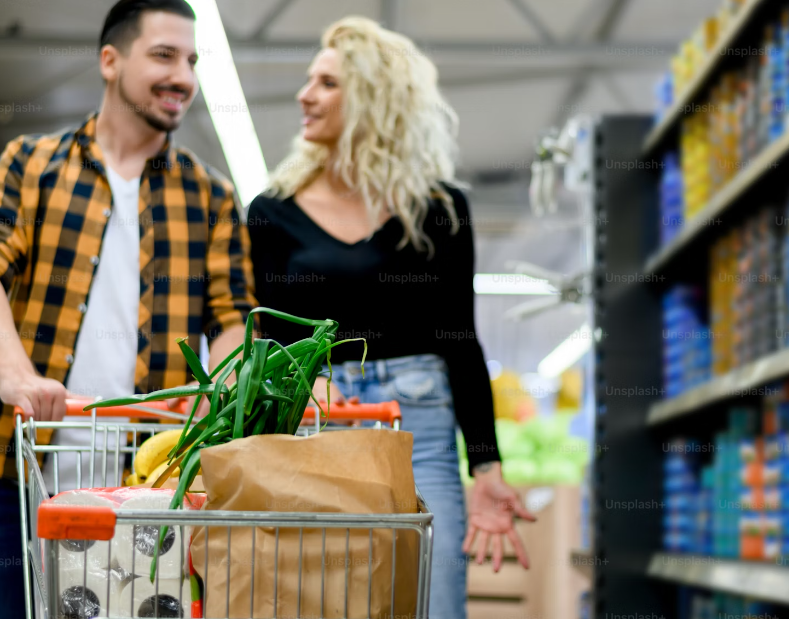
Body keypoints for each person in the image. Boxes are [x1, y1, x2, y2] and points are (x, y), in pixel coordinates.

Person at [247, 16, 535, 619]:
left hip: (419, 427)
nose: (304, 95)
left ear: (373, 97)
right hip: (316, 423)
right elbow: (270, 338)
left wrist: (486, 464)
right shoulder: (271, 212)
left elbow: (461, 340)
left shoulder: (439, 210)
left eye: (326, 82)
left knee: (431, 603)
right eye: (308, 80)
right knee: (318, 604)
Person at [0, 0, 256, 614]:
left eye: (192, 61)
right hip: (22, 469)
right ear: (109, 61)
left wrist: (214, 393)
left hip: (148, 485)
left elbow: (231, 318)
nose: (184, 77)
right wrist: (15, 374)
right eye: (164, 55)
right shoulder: (29, 166)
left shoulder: (211, 196)